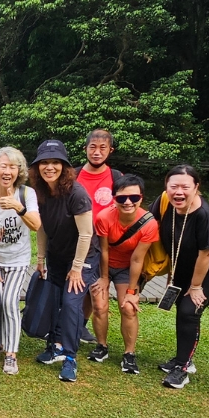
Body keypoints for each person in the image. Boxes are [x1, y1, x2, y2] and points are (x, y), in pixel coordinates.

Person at [148, 165, 209, 389]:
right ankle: (183, 358)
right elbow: (147, 222)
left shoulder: (205, 214)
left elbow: (207, 253)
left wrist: (195, 287)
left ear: (196, 187)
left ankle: (182, 368)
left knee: (189, 310)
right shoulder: (164, 202)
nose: (179, 192)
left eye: (185, 187)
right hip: (181, 267)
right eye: (173, 186)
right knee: (182, 311)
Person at [30, 140, 98, 383]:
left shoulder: (77, 193)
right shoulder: (40, 192)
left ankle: (70, 358)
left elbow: (86, 234)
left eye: (55, 162)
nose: (50, 167)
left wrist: (77, 268)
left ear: (65, 166)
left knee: (71, 303)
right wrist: (40, 258)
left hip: (83, 257)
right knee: (55, 299)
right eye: (44, 163)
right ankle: (55, 345)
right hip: (56, 254)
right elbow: (41, 228)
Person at [0, 147, 41, 375]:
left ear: (19, 171)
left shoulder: (26, 195)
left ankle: (11, 354)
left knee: (9, 303)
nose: (7, 171)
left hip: (18, 260)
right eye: (3, 166)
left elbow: (36, 225)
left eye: (12, 167)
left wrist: (18, 206)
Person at [92, 174, 158, 375]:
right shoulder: (104, 217)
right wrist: (104, 277)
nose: (127, 202)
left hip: (127, 268)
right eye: (121, 198)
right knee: (99, 304)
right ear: (114, 198)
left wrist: (131, 290)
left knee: (129, 307)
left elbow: (137, 259)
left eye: (133, 198)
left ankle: (129, 354)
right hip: (103, 263)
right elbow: (103, 250)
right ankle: (101, 346)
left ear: (141, 197)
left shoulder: (149, 223)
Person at [76, 129, 122, 346]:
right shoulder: (73, 175)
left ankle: (82, 324)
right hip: (75, 239)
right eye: (92, 147)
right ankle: (69, 324)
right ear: (85, 149)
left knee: (93, 286)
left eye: (102, 148)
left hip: (103, 241)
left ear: (110, 150)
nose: (97, 152)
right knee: (73, 284)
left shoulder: (116, 178)